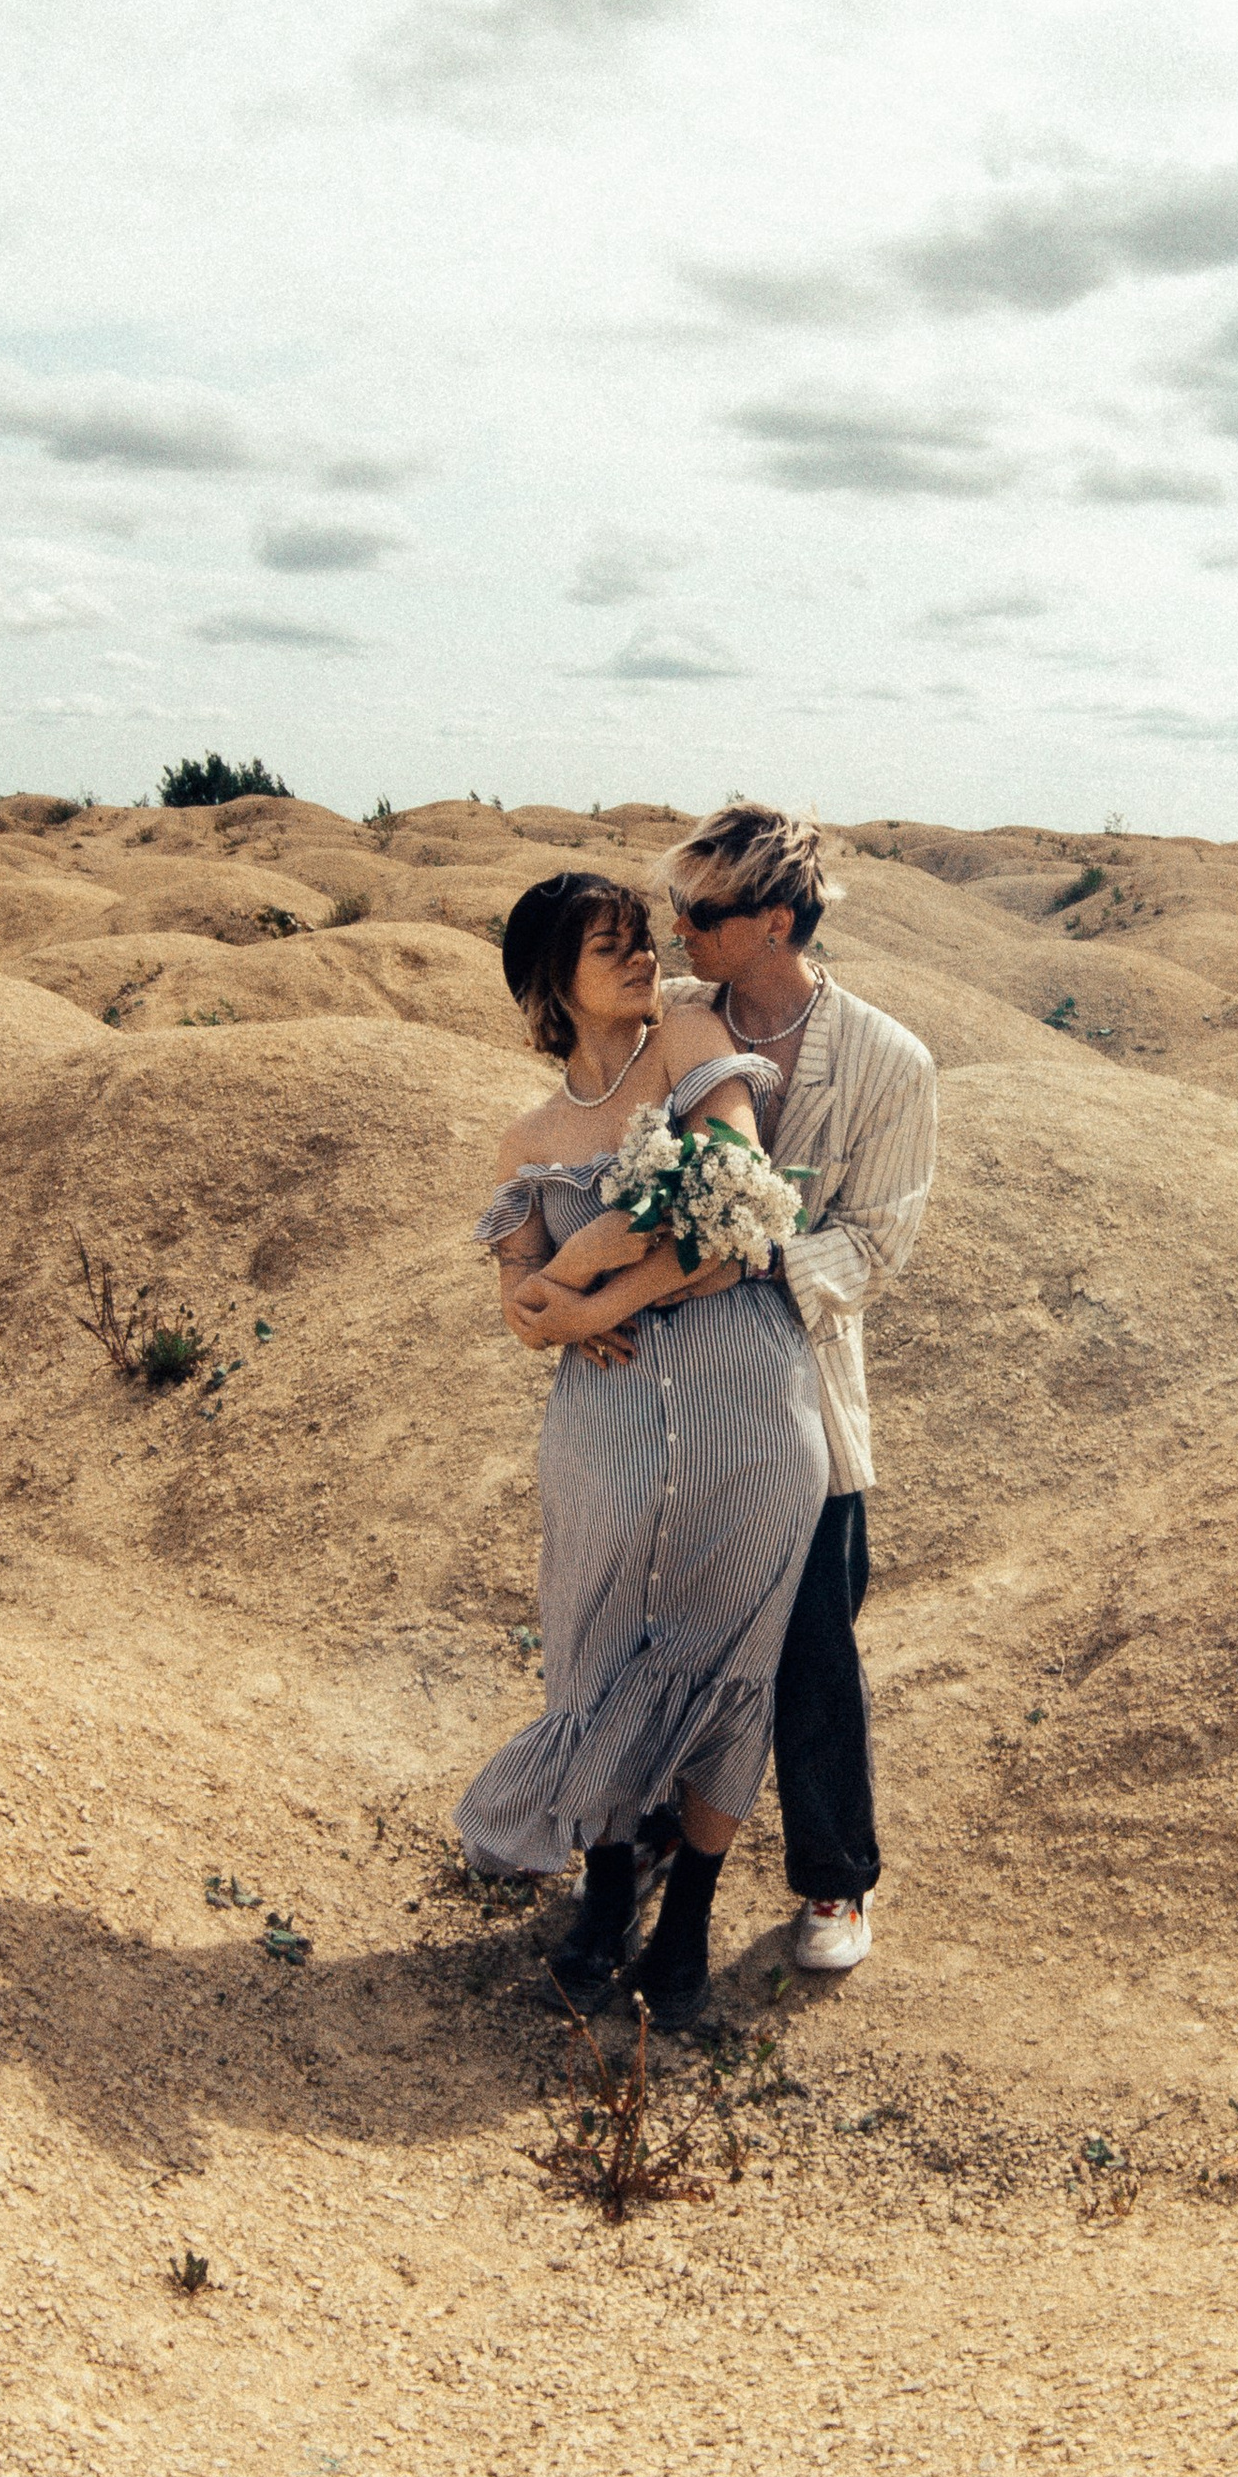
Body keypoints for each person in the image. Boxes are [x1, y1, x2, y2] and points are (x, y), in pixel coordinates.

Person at [456, 872, 828, 2034]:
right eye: (608, 947)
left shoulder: (693, 1043)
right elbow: (519, 1300)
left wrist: (590, 1288)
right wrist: (556, 1293)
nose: (641, 959)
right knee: (596, 1648)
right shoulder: (526, 1140)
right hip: (604, 1428)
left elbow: (740, 1209)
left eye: (639, 941)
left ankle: (687, 1926)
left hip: (746, 1410)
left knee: (731, 1660)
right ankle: (607, 1894)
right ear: (550, 985)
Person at [641, 801, 938, 1981]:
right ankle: (648, 1827)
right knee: (667, 1620)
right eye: (673, 908)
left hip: (806, 1385)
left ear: (773, 921)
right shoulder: (674, 1019)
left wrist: (755, 1249)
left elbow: (876, 1244)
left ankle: (834, 1877)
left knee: (813, 1640)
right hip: (673, 1381)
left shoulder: (889, 1062)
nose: (677, 931)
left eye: (699, 912)